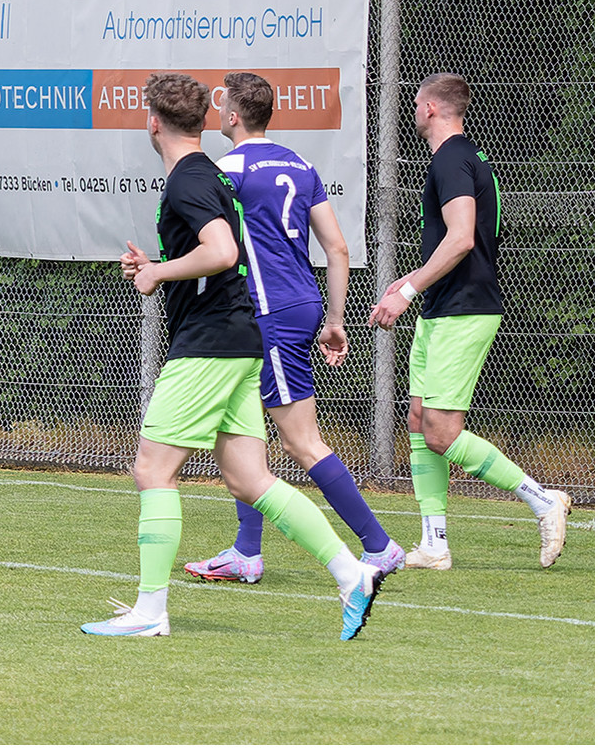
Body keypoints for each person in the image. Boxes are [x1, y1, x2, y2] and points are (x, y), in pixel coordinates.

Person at [84, 72, 382, 639]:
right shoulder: (209, 176)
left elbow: (220, 251)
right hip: (242, 341)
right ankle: (351, 573)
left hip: (210, 346)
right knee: (250, 480)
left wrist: (157, 273)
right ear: (202, 122)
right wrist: (158, 264)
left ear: (153, 124)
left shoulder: (190, 180)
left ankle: (151, 612)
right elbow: (215, 248)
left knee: (152, 470)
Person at [184, 72, 405, 583]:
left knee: (301, 442)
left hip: (269, 313)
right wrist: (333, 319)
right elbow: (338, 249)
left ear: (234, 117)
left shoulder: (226, 171)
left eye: (223, 107)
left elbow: (221, 250)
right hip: (298, 305)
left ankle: (379, 545)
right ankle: (245, 551)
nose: (218, 113)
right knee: (240, 425)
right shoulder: (300, 164)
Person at [368, 72, 572, 570]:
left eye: (416, 104)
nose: (414, 111)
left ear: (431, 109)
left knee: (439, 431)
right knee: (418, 420)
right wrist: (411, 281)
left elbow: (461, 239)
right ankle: (434, 544)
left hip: (465, 309)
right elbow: (461, 241)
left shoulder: (453, 158)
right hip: (443, 307)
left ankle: (543, 499)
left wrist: (409, 290)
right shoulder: (462, 158)